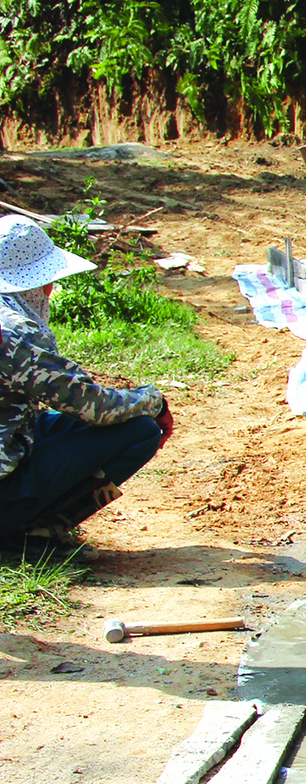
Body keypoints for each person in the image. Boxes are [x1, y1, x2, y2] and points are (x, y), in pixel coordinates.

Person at [0, 217, 170, 545]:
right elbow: (94, 408)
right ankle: (29, 532)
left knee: (47, 421)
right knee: (139, 431)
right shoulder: (16, 332)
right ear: (41, 285)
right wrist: (153, 402)